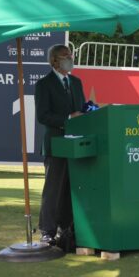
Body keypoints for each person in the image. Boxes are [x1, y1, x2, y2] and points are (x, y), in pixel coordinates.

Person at [35, 44, 85, 244]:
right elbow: (43, 116)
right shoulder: (44, 84)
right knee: (53, 188)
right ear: (54, 60)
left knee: (71, 188)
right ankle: (47, 229)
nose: (70, 58)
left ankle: (68, 228)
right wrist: (68, 118)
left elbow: (81, 108)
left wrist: (88, 111)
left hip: (76, 144)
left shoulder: (76, 82)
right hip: (56, 143)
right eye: (66, 56)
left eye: (70, 55)